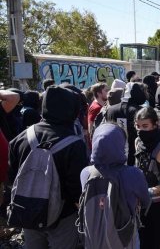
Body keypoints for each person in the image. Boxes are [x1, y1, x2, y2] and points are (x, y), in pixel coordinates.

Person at [8, 86, 88, 248]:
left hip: (27, 210)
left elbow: (12, 177)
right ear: (71, 110)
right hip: (62, 216)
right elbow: (76, 189)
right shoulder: (75, 144)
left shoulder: (21, 138)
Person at [80, 123, 150, 249]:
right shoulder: (134, 174)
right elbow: (146, 201)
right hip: (124, 238)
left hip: (94, 237)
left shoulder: (86, 173)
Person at [134, 107, 160, 249]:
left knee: (152, 239)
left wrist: (150, 191)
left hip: (156, 203)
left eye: (145, 126)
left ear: (155, 125)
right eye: (137, 126)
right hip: (137, 200)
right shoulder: (137, 142)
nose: (141, 130)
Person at [106, 82, 147, 166]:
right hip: (136, 156)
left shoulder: (110, 109)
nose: (146, 94)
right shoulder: (140, 111)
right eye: (143, 92)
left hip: (114, 155)